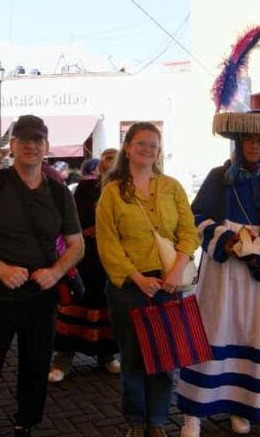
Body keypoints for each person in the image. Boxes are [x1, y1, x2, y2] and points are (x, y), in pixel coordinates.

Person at [0, 114, 84, 437]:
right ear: (12, 145)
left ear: (46, 147)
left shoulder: (59, 193)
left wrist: (56, 272)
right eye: (23, 139)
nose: (30, 146)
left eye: (37, 140)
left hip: (41, 297)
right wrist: (0, 268)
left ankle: (26, 424)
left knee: (36, 368)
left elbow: (77, 245)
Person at [177, 112, 260, 436]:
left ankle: (241, 406)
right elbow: (195, 217)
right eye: (248, 139)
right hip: (219, 271)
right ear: (238, 143)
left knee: (249, 334)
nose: (254, 146)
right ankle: (193, 413)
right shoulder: (218, 176)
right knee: (210, 331)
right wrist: (224, 238)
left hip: (254, 276)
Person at [96, 122, 200, 437]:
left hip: (169, 285)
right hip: (129, 288)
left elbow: (189, 232)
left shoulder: (172, 187)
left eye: (153, 145)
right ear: (128, 148)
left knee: (164, 358)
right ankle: (136, 421)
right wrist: (137, 278)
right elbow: (108, 242)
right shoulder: (112, 192)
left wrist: (176, 271)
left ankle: (157, 421)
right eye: (141, 143)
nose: (147, 149)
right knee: (132, 359)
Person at [49, 148, 120, 383]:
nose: (110, 161)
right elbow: (74, 222)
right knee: (76, 302)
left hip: (113, 259)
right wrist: (91, 232)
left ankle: (107, 356)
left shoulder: (125, 188)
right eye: (106, 157)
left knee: (107, 304)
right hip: (85, 256)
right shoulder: (86, 187)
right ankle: (63, 359)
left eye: (115, 157)